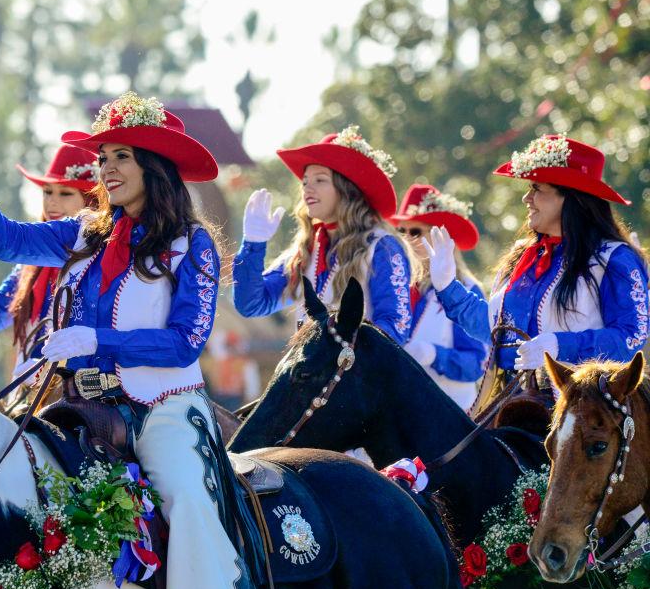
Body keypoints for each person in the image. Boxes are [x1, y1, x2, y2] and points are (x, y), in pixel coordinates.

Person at [0, 92, 258, 589]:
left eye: (121, 156)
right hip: (79, 410)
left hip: (164, 411)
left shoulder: (190, 245)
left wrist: (100, 340)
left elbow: (186, 341)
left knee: (189, 503)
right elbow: (7, 238)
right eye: (103, 157)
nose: (106, 169)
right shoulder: (83, 233)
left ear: (154, 166)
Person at [424, 135, 649, 408]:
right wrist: (448, 288)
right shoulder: (524, 256)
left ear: (572, 198)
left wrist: (558, 346)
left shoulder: (614, 259)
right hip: (509, 402)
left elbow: (630, 339)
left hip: (576, 413)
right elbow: (497, 333)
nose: (526, 198)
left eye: (537, 188)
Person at [233, 126, 414, 343]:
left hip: (357, 375)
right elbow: (250, 304)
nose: (307, 189)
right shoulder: (306, 249)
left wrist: (345, 352)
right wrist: (253, 245)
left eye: (320, 180)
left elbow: (396, 327)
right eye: (305, 182)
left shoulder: (382, 247)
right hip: (312, 375)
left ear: (347, 189)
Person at [0, 144, 98, 378]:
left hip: (75, 395)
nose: (52, 202)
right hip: (26, 397)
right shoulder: (31, 267)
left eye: (65, 193)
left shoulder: (99, 260)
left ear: (90, 202)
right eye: (48, 192)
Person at [393, 184, 487, 410]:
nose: (406, 239)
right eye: (401, 231)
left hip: (449, 417)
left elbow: (476, 364)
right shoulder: (392, 284)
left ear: (439, 237)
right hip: (397, 414)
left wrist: (434, 355)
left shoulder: (466, 289)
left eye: (415, 232)